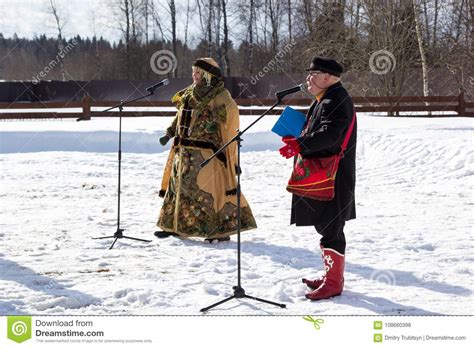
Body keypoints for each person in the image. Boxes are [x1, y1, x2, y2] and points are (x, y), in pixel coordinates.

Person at [278, 56, 357, 301]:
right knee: (325, 224)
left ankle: (334, 283)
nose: (307, 79)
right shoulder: (326, 98)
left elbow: (330, 135)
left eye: (312, 74)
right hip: (326, 174)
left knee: (332, 227)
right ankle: (331, 276)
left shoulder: (336, 100)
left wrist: (300, 143)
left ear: (326, 77)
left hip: (334, 176)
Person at [155, 58, 257, 243]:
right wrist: (169, 132)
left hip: (207, 153)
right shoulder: (188, 94)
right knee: (179, 190)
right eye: (193, 72)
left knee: (206, 191)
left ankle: (217, 231)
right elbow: (180, 117)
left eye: (198, 73)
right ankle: (175, 227)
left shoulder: (219, 94)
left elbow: (231, 110)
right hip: (183, 151)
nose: (194, 76)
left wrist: (215, 118)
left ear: (208, 75)